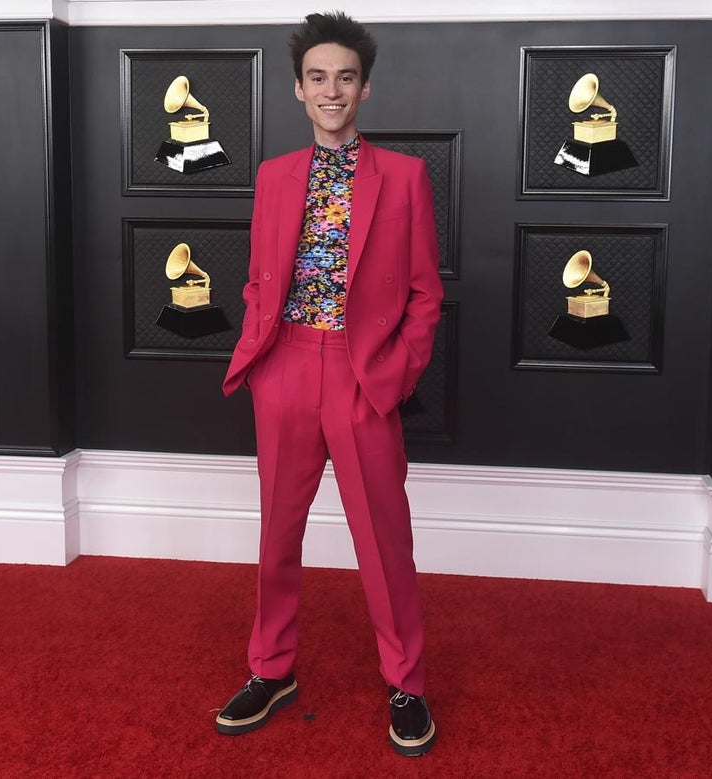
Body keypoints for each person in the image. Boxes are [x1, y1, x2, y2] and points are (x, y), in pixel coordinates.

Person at [216, 10, 444, 757]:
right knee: (277, 535)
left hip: (361, 374)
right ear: (298, 89)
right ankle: (270, 667)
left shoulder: (406, 178)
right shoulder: (274, 176)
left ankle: (405, 681)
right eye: (318, 78)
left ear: (365, 88)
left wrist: (397, 371)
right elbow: (258, 278)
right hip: (283, 369)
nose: (332, 90)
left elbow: (424, 293)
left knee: (384, 538)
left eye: (345, 77)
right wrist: (260, 354)